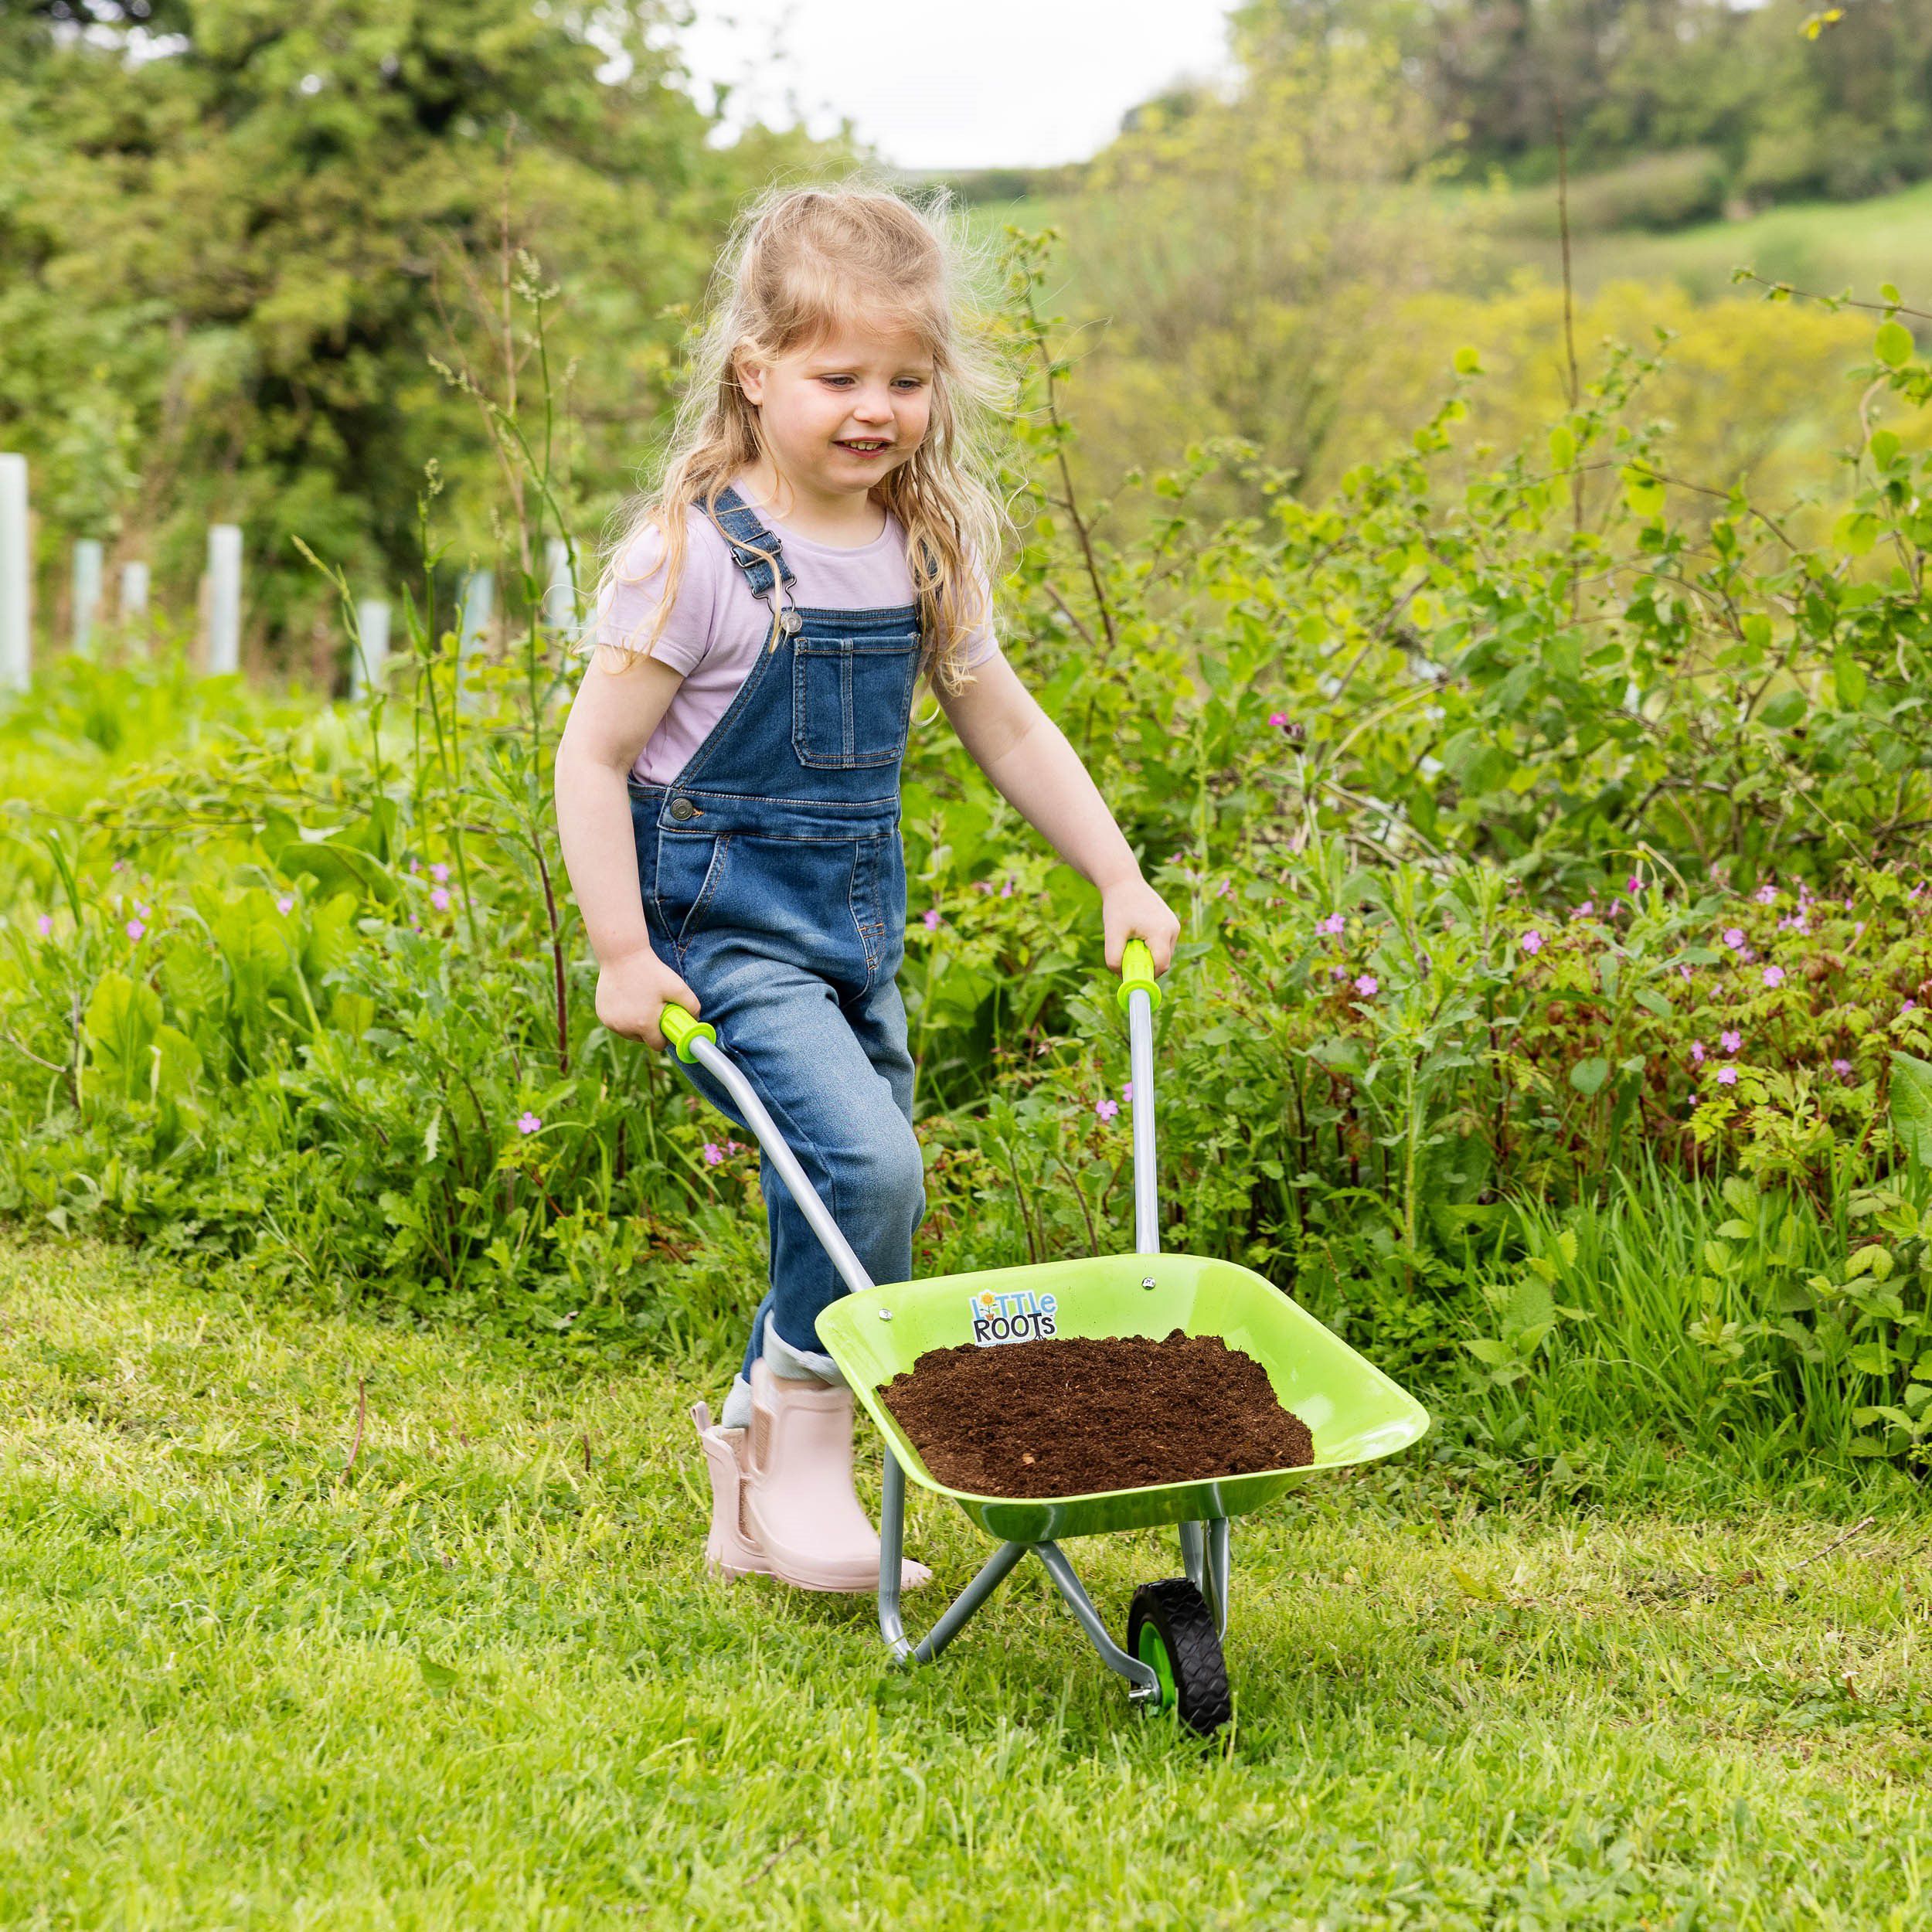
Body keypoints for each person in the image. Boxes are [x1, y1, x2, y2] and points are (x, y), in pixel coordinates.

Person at [553, 182, 1179, 1596]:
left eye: (907, 377)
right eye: (838, 376)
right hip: (718, 939)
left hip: (849, 935)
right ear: (755, 371)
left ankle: (750, 1461)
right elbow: (591, 762)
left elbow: (1005, 720)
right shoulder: (700, 556)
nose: (874, 408)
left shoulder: (919, 541)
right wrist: (618, 950)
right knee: (870, 1176)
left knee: (831, 1201)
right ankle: (808, 1436)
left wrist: (1118, 874)